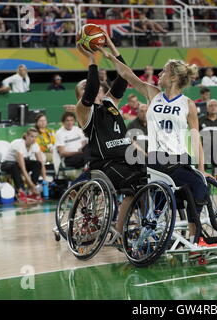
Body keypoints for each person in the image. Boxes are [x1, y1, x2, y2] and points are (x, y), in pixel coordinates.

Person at [98, 40, 215, 246]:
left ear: (173, 77)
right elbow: (127, 75)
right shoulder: (152, 94)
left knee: (198, 182)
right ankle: (197, 238)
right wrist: (109, 55)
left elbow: (196, 137)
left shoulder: (188, 104)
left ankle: (193, 236)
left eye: (163, 72)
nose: (159, 74)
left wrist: (202, 168)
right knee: (196, 186)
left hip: (180, 160)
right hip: (158, 159)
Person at [74, 39, 144, 237]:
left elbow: (123, 78)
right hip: (105, 164)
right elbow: (91, 88)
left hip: (127, 158)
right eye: (85, 87)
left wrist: (111, 48)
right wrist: (91, 59)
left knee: (157, 172)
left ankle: (151, 221)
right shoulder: (83, 110)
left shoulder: (110, 103)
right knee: (134, 184)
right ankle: (119, 232)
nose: (91, 88)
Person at [0, 128, 46, 203]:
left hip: (18, 164)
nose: (33, 139)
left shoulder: (35, 145)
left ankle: (32, 192)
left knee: (37, 164)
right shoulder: (19, 144)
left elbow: (41, 163)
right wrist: (32, 185)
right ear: (26, 136)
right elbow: (23, 168)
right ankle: (20, 191)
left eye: (35, 137)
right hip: (7, 164)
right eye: (31, 136)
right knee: (14, 166)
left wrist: (45, 180)